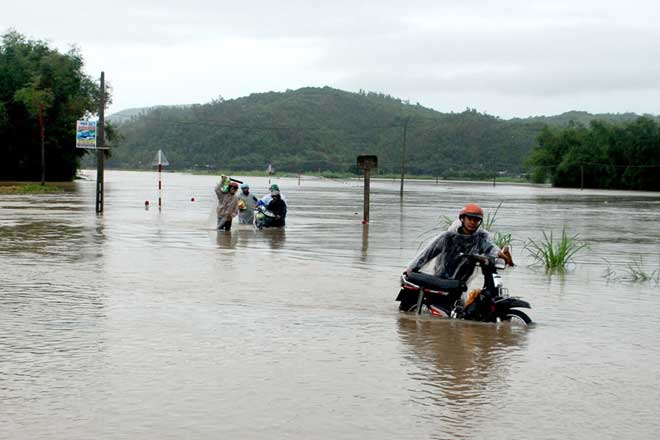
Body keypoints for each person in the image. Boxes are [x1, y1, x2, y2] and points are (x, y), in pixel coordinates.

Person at [405, 203, 513, 281]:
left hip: (462, 280)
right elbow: (427, 254)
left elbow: (490, 248)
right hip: (442, 277)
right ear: (462, 219)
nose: (472, 222)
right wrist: (411, 269)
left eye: (476, 220)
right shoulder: (448, 237)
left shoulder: (480, 237)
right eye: (469, 218)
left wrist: (502, 255)